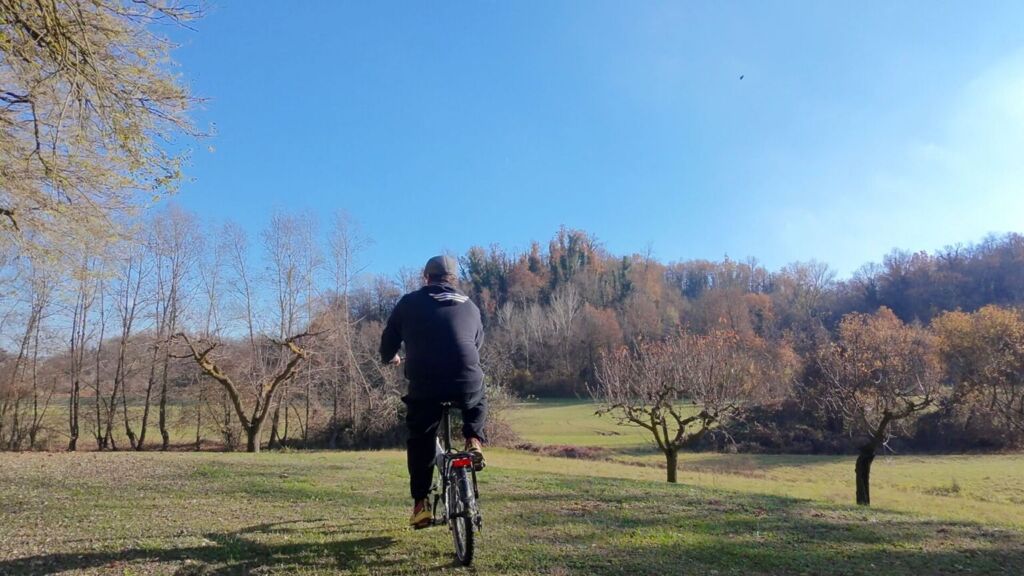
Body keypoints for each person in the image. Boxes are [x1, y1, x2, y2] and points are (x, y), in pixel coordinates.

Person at [380, 255, 487, 529]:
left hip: (426, 384)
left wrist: (391, 357)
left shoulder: (409, 302)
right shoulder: (471, 306)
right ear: (453, 279)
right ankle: (473, 438)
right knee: (477, 394)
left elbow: (388, 342)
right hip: (465, 378)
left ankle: (421, 504)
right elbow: (476, 344)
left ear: (426, 277)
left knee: (421, 437)